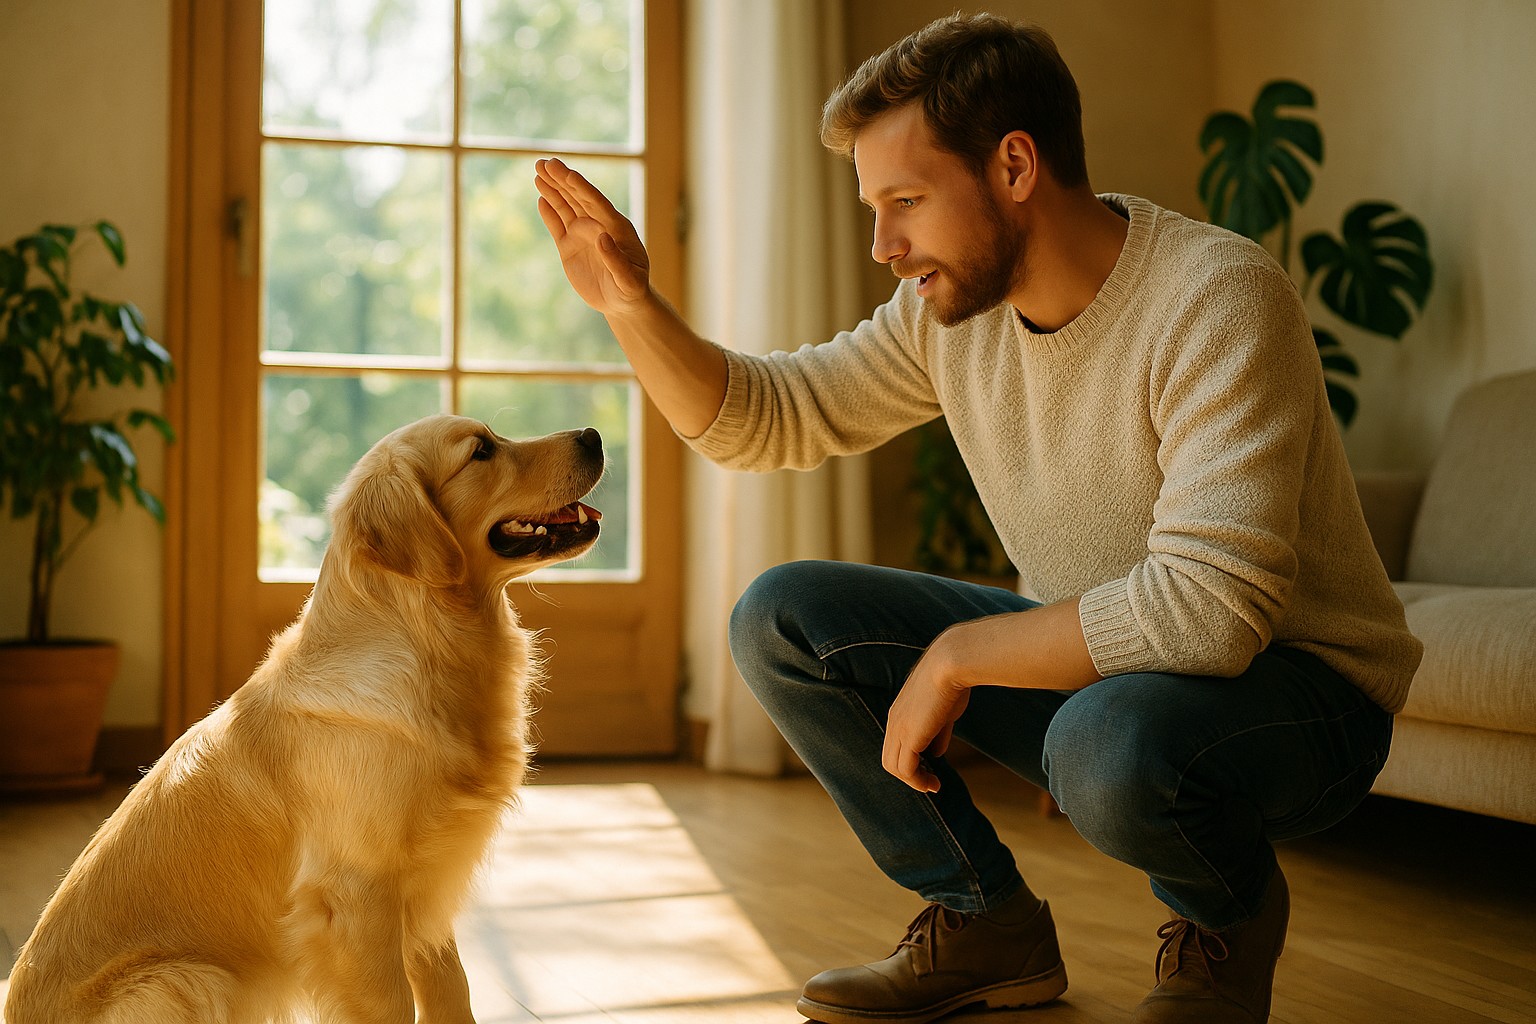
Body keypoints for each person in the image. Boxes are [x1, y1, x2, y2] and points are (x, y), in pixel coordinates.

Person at [534, 12, 1421, 1024]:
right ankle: (985, 919)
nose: (883, 245)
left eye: (906, 201)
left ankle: (1226, 921)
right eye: (875, 208)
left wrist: (959, 656)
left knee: (1103, 742)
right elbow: (762, 419)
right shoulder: (949, 316)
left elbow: (1211, 616)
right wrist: (629, 304)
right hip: (1115, 681)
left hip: (1299, 697)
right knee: (783, 617)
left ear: (1013, 166)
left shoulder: (1216, 297)